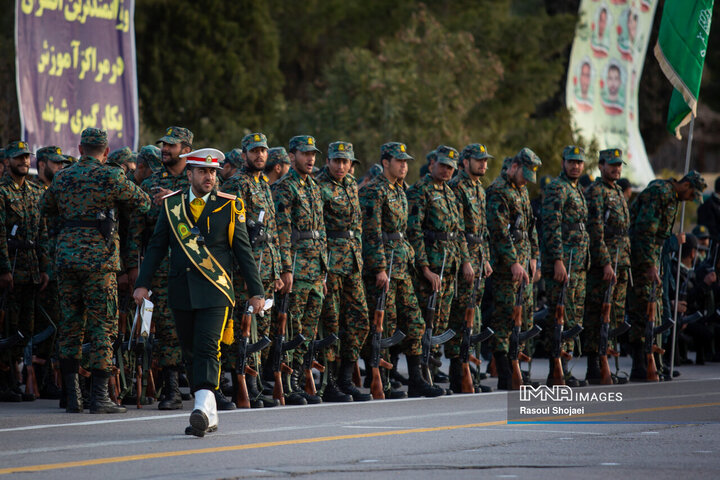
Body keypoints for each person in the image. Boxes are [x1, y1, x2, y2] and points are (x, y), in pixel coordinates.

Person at [133, 148, 263, 437]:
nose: (209, 177)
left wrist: (257, 291)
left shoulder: (229, 206)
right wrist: (142, 283)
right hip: (180, 289)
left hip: (216, 290)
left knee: (207, 346)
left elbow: (243, 251)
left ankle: (201, 408)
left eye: (213, 172)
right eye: (203, 172)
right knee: (191, 350)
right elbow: (155, 248)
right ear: (189, 174)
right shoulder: (172, 206)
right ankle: (210, 412)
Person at [40, 128, 150, 414]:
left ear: (79, 148)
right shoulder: (111, 175)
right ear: (105, 151)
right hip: (100, 263)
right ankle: (99, 397)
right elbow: (143, 202)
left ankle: (72, 396)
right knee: (103, 326)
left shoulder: (62, 176)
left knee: (71, 325)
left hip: (66, 260)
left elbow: (45, 207)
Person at [359, 142, 443, 398]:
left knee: (414, 322)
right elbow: (371, 233)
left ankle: (416, 379)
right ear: (385, 162)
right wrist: (380, 268)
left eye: (406, 161)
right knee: (384, 325)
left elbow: (409, 233)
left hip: (403, 267)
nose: (404, 165)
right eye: (399, 161)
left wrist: (422, 267)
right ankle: (380, 380)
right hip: (384, 268)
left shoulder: (400, 191)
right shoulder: (374, 191)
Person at [127, 127, 202, 410]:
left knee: (197, 325)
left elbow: (209, 215)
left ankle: (203, 386)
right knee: (169, 327)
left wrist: (178, 198)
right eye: (164, 145)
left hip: (193, 265)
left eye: (171, 145)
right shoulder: (150, 183)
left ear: (186, 149)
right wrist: (134, 269)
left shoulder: (196, 180)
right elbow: (136, 229)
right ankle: (171, 389)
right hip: (160, 267)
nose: (165, 149)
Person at [220, 133, 283, 408]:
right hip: (245, 268)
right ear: (244, 154)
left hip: (267, 266)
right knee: (241, 327)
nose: (259, 155)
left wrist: (279, 270)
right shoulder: (236, 183)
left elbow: (272, 231)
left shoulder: (264, 185)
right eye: (254, 151)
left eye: (263, 151)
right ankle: (236, 384)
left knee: (261, 328)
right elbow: (234, 231)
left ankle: (254, 385)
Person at [627, 170, 707, 381]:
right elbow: (644, 232)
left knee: (654, 311)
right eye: (691, 195)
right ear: (686, 186)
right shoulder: (660, 193)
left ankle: (654, 361)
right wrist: (649, 264)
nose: (689, 200)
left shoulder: (669, 196)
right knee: (643, 310)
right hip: (644, 260)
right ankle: (640, 364)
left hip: (655, 257)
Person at [272, 135, 328, 405]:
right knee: (292, 327)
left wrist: (324, 270)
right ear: (292, 156)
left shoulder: (314, 187)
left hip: (316, 269)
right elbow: (281, 232)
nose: (310, 158)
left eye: (313, 154)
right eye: (305, 154)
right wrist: (285, 268)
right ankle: (288, 380)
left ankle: (303, 376)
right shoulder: (285, 187)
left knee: (309, 328)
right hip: (296, 266)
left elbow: (322, 231)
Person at [316, 141, 371, 402]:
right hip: (331, 264)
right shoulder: (318, 185)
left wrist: (358, 256)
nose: (340, 166)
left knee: (359, 320)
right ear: (327, 161)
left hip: (352, 263)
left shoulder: (351, 184)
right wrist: (321, 269)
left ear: (351, 164)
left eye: (345, 161)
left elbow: (357, 226)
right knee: (332, 324)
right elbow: (316, 230)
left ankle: (347, 379)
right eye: (336, 161)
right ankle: (330, 383)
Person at [486, 148, 542, 390]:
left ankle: (515, 362)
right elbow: (499, 232)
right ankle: (504, 370)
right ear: (515, 166)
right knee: (505, 317)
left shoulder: (522, 191)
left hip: (523, 264)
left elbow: (531, 227)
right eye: (524, 174)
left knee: (522, 316)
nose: (526, 180)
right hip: (505, 268)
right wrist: (513, 262)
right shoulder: (498, 191)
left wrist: (533, 256)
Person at [0, 141, 50, 402]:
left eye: (26, 157)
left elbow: (42, 231)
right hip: (12, 269)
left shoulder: (33, 191)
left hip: (31, 270)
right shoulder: (2, 192)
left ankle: (16, 378)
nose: (24, 161)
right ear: (7, 161)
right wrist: (4, 269)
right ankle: (5, 380)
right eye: (18, 158)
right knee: (8, 325)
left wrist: (44, 268)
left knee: (25, 328)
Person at [540, 146, 589, 387]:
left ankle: (565, 367)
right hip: (564, 263)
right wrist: (558, 260)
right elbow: (551, 226)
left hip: (578, 263)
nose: (575, 166)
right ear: (563, 163)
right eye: (571, 162)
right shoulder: (557, 188)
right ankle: (556, 368)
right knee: (559, 316)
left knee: (571, 317)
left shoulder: (577, 189)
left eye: (579, 162)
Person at [447, 143, 494, 393]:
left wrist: (484, 258)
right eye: (478, 160)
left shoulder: (479, 188)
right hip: (464, 258)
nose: (483, 164)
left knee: (472, 314)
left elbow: (481, 230)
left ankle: (469, 369)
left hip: (478, 256)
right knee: (461, 314)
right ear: (465, 162)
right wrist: (465, 259)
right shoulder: (457, 187)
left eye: (485, 160)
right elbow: (458, 230)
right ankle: (458, 371)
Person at [583, 148, 631, 384]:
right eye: (611, 164)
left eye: (618, 164)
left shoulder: (618, 191)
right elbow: (596, 231)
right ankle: (595, 365)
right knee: (598, 313)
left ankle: (606, 362)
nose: (616, 168)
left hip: (621, 261)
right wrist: (604, 262)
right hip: (606, 263)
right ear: (601, 166)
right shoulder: (596, 192)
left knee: (612, 314)